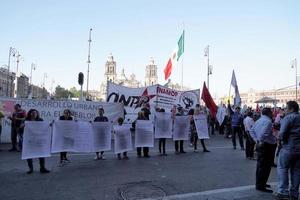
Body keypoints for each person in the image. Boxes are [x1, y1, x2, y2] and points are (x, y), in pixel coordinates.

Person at [274, 101, 300, 200]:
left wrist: (279, 141)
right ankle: (294, 193)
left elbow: (282, 133)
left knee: (282, 169)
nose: (285, 109)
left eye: (286, 108)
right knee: (296, 171)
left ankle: (283, 191)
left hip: (288, 147)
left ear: (292, 109)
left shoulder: (288, 118)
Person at [250, 107, 277, 193]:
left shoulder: (259, 120)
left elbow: (251, 130)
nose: (272, 113)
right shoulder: (268, 121)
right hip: (266, 145)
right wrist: (260, 140)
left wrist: (256, 140)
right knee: (265, 166)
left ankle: (261, 183)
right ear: (269, 113)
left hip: (262, 144)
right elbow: (264, 133)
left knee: (261, 166)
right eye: (271, 112)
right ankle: (261, 185)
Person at [25, 109, 50, 174]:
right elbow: (21, 128)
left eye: (35, 113)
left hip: (39, 140)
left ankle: (42, 168)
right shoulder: (26, 120)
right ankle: (31, 169)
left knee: (41, 154)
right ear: (30, 113)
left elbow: (45, 127)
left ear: (37, 114)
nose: (34, 114)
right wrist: (22, 126)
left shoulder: (40, 120)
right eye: (32, 113)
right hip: (30, 140)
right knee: (29, 155)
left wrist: (50, 125)